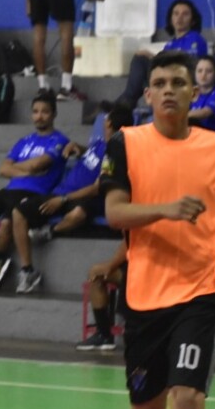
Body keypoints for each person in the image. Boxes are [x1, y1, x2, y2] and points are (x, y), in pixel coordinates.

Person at [100, 49, 215, 409]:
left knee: (188, 400)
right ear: (149, 94)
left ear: (194, 92)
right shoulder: (125, 144)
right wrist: (166, 210)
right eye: (160, 82)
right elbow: (115, 213)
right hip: (144, 296)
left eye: (180, 81)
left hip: (198, 291)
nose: (170, 89)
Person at [10, 104, 133, 294]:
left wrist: (63, 199)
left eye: (105, 120)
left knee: (78, 214)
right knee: (18, 212)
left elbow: (96, 188)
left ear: (108, 124)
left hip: (81, 198)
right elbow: (92, 156)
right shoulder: (100, 143)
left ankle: (50, 231)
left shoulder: (115, 153)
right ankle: (27, 271)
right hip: (61, 192)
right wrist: (78, 148)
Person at [0, 92, 70, 292]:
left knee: (7, 224)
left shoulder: (59, 140)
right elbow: (3, 169)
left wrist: (19, 168)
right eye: (35, 112)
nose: (39, 116)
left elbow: (39, 164)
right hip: (9, 190)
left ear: (53, 114)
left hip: (34, 194)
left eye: (44, 112)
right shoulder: (23, 141)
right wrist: (28, 169)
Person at [24, 0, 104, 99]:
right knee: (66, 35)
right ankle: (66, 87)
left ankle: (42, 86)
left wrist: (29, 1)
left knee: (38, 37)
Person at [110, 0, 210, 110]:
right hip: (166, 78)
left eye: (185, 14)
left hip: (182, 81)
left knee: (142, 62)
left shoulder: (195, 39)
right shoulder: (171, 43)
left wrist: (152, 57)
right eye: (176, 14)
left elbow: (187, 64)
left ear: (193, 20)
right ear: (171, 18)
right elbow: (164, 61)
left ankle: (123, 104)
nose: (179, 18)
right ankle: (124, 104)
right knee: (141, 59)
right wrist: (150, 56)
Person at [77, 240, 126, 351]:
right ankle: (103, 335)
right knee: (95, 273)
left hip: (148, 270)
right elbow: (126, 245)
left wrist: (110, 266)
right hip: (131, 266)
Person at [189, 55, 215, 133]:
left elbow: (205, 113)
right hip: (195, 133)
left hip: (214, 135)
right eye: (199, 71)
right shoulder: (191, 91)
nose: (203, 75)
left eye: (209, 71)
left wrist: (180, 116)